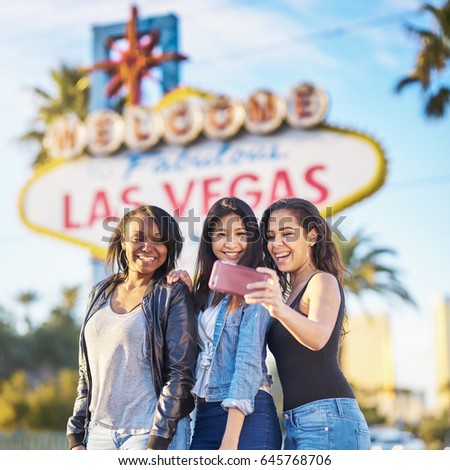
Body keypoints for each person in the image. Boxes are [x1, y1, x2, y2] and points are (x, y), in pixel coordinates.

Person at [66, 205, 197, 450]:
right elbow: (87, 371)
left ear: (169, 247)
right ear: (123, 242)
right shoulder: (99, 292)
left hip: (150, 433)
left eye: (159, 240)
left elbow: (180, 372)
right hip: (99, 433)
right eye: (138, 238)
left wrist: (156, 441)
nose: (148, 247)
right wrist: (76, 435)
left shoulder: (172, 293)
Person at [244, 198, 371, 450]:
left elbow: (318, 337)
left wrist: (277, 308)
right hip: (295, 422)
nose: (276, 243)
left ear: (312, 236)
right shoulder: (290, 294)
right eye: (270, 236)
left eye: (287, 234)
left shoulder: (321, 281)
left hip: (329, 418)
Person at [173, 197, 282, 450]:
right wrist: (185, 297)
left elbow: (248, 361)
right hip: (205, 412)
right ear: (209, 240)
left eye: (241, 234)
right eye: (221, 234)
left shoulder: (258, 285)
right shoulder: (204, 292)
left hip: (247, 416)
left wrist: (230, 439)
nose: (231, 244)